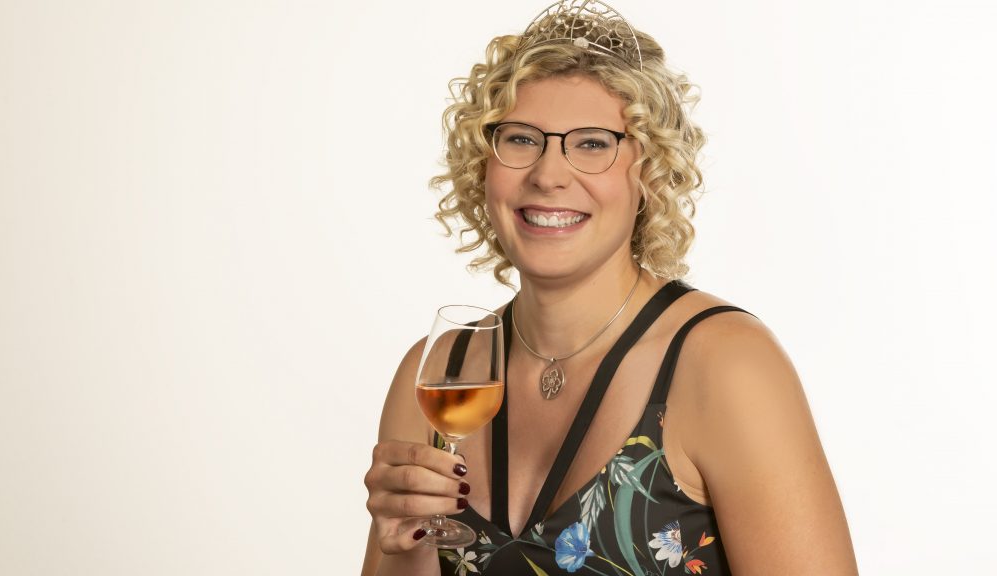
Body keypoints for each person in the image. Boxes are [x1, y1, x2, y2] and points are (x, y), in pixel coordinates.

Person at [362, 1, 857, 574]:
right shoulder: (436, 373)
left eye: (593, 143)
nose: (548, 174)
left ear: (649, 171)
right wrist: (409, 546)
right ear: (482, 164)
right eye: (521, 139)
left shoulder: (725, 364)